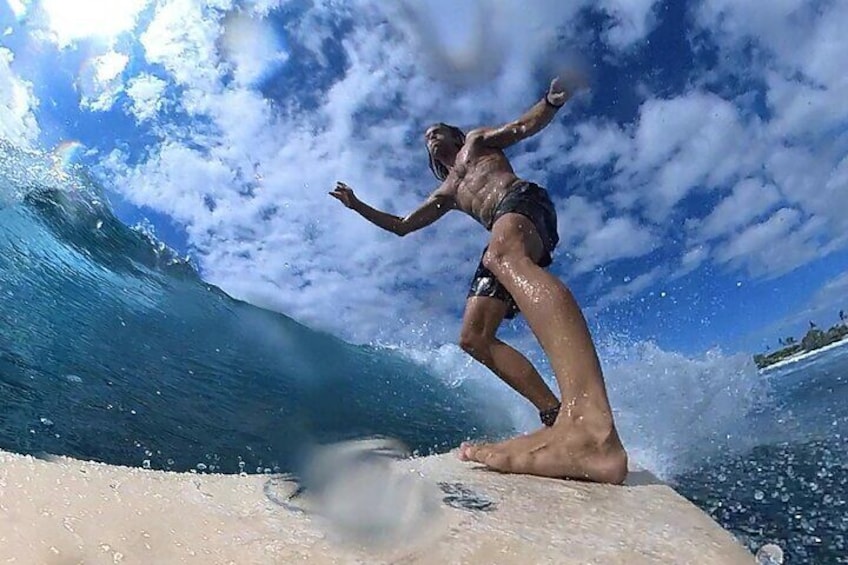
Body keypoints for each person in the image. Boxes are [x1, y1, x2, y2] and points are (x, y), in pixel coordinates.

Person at [330, 77, 628, 484]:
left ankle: (591, 425)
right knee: (473, 337)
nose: (432, 136)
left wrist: (551, 101)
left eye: (437, 130)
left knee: (501, 253)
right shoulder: (446, 192)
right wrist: (356, 204)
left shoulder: (477, 142)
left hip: (523, 204)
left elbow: (521, 127)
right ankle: (556, 417)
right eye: (426, 137)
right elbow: (401, 225)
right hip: (502, 238)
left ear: (453, 135)